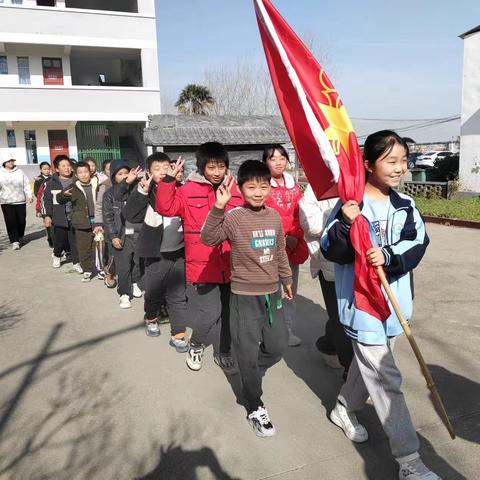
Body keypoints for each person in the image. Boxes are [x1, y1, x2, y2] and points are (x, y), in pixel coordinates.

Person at [321, 130, 438, 480]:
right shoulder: (349, 206)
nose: (400, 168)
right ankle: (410, 461)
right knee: (387, 379)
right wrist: (345, 222)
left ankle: (343, 408)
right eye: (391, 160)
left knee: (368, 367)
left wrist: (387, 255)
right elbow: (330, 249)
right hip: (362, 306)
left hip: (395, 305)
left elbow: (418, 242)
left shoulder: (406, 205)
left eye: (404, 160)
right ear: (368, 165)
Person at [201, 160, 292, 437]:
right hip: (243, 296)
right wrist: (219, 207)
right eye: (251, 187)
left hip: (272, 292)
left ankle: (249, 371)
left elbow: (279, 253)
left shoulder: (274, 217)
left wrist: (286, 280)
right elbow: (208, 238)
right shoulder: (234, 217)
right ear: (239, 188)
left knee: (277, 346)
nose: (258, 192)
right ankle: (254, 405)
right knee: (248, 350)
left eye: (263, 186)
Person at [156, 142, 243, 373]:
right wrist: (168, 181)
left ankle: (224, 351)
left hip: (232, 262)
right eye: (211, 167)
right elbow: (165, 208)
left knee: (228, 312)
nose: (216, 172)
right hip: (203, 264)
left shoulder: (236, 189)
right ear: (202, 167)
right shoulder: (187, 190)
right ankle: (196, 344)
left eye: (221, 167)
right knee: (210, 312)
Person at [124, 152, 188, 351]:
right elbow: (130, 215)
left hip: (178, 251)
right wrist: (141, 193)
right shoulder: (146, 191)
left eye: (166, 167)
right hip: (155, 253)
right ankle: (151, 318)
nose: (162, 172)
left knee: (178, 295)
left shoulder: (181, 190)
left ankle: (178, 334)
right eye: (157, 169)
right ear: (149, 172)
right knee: (154, 292)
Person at [299, 185, 353, 380]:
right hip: (329, 264)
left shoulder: (358, 184)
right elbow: (309, 224)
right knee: (340, 319)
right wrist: (340, 218)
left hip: (358, 263)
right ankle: (350, 372)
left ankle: (328, 344)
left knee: (352, 315)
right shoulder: (315, 189)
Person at [262, 145, 307, 346]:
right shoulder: (262, 186)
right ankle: (268, 332)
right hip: (269, 246)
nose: (279, 162)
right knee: (269, 292)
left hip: (292, 246)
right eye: (273, 158)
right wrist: (282, 238)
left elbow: (300, 215)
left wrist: (295, 237)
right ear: (265, 162)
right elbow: (261, 217)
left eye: (282, 157)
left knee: (290, 291)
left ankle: (287, 330)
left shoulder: (294, 186)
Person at [102, 159, 143, 307]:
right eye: (120, 174)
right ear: (114, 177)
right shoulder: (109, 194)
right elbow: (108, 217)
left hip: (137, 233)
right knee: (123, 266)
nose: (125, 176)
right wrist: (113, 236)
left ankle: (135, 282)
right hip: (120, 235)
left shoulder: (137, 189)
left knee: (138, 262)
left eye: (127, 172)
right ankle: (124, 293)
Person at [57, 161, 99, 282]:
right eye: (80, 172)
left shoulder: (97, 184)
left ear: (90, 172)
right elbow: (59, 199)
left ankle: (100, 268)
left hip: (98, 221)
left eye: (86, 172)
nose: (84, 175)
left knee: (98, 246)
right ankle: (87, 270)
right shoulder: (73, 186)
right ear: (76, 174)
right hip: (81, 223)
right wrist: (64, 194)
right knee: (83, 247)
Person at [43, 155, 81, 271]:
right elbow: (47, 200)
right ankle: (57, 255)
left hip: (73, 216)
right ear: (57, 169)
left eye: (69, 165)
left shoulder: (76, 180)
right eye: (63, 166)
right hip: (59, 217)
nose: (67, 168)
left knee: (74, 241)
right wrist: (47, 216)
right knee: (59, 240)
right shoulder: (52, 183)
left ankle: (76, 262)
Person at [0, 157, 32, 250]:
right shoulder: (0, 173)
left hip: (20, 201)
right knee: (10, 221)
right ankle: (14, 241)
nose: (11, 162)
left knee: (21, 220)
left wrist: (29, 195)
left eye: (12, 161)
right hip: (6, 202)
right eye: (9, 161)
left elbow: (26, 184)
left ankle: (20, 236)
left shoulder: (20, 172)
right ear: (4, 162)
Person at [34, 162, 53, 248]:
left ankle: (54, 237)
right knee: (47, 223)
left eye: (48, 169)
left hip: (52, 205)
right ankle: (50, 238)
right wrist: (38, 209)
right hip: (43, 204)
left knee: (53, 223)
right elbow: (37, 194)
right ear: (41, 170)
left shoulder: (53, 178)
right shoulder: (38, 180)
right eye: (44, 169)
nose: (47, 171)